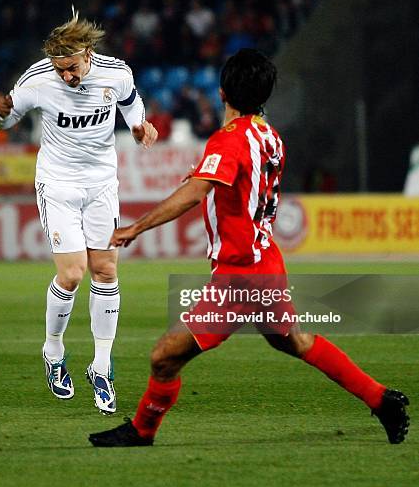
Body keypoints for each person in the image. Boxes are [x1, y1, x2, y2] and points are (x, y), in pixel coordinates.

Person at [88, 49, 409, 446]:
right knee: (295, 340)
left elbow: (196, 192)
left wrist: (136, 227)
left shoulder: (229, 141)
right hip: (267, 261)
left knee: (164, 357)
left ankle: (141, 431)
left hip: (240, 273)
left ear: (222, 92)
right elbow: (236, 188)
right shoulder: (270, 137)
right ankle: (381, 399)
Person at [0, 9, 158, 414]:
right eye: (59, 69)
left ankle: (101, 367)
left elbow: (131, 104)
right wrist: (0, 111)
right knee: (71, 273)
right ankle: (53, 351)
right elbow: (5, 121)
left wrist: (140, 127)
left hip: (102, 184)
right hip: (58, 183)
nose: (66, 75)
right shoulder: (36, 80)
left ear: (87, 53)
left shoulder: (115, 74)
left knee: (106, 270)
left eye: (71, 68)